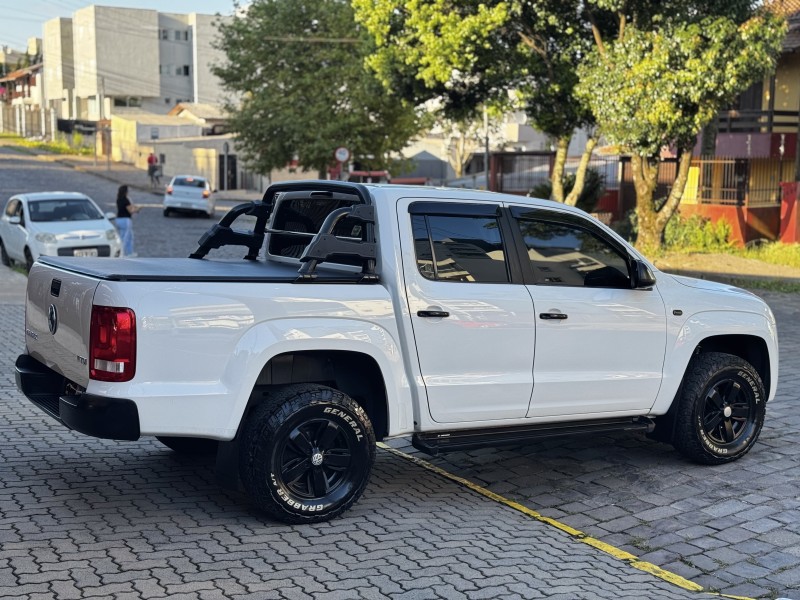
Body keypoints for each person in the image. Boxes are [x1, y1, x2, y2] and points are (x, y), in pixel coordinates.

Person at [115, 185, 140, 257]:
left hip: (118, 219)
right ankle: (122, 253)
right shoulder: (126, 200)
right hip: (125, 220)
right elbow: (130, 211)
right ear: (125, 192)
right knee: (126, 237)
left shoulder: (118, 199)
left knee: (127, 236)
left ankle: (129, 252)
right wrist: (138, 210)